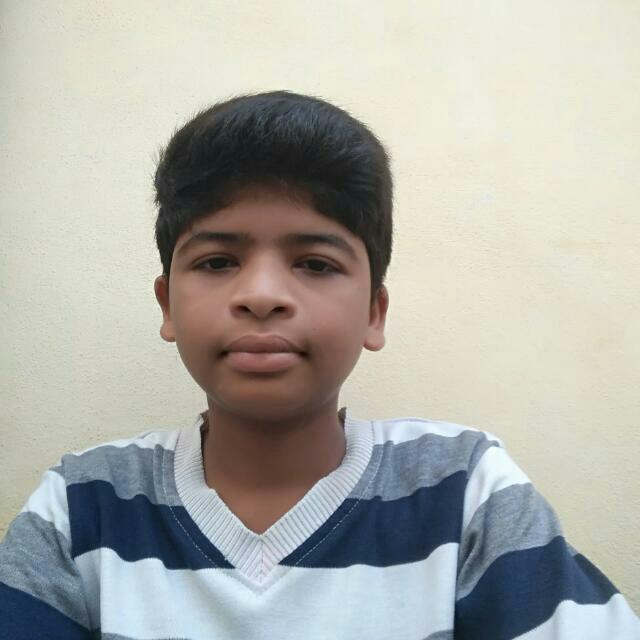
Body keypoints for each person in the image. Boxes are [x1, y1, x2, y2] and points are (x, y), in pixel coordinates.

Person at [1, 90, 638, 640]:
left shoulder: (463, 493)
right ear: (168, 305)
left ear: (374, 313)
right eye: (218, 261)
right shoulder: (82, 507)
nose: (261, 295)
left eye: (315, 263)